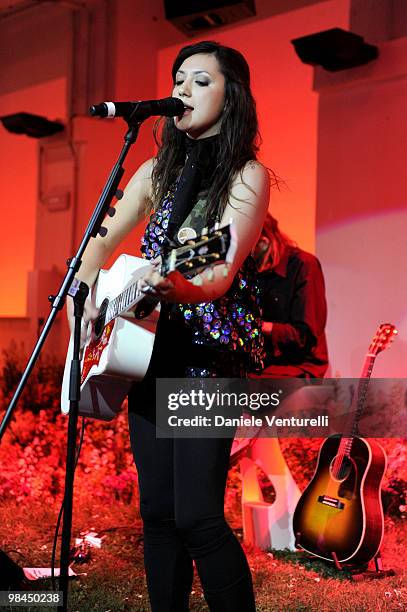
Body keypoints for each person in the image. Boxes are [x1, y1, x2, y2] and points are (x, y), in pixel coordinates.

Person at [68, 41, 270, 611]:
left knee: (199, 517)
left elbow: (220, 270)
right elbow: (102, 238)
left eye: (201, 80)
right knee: (157, 515)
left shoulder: (246, 175)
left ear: (233, 98)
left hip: (210, 362)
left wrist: (176, 284)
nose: (182, 89)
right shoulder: (158, 169)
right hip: (154, 354)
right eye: (179, 78)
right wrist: (85, 295)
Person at [252, 213, 328, 378]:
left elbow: (305, 337)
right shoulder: (251, 272)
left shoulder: (304, 265)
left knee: (241, 388)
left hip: (297, 366)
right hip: (264, 363)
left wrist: (260, 326)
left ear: (264, 242)